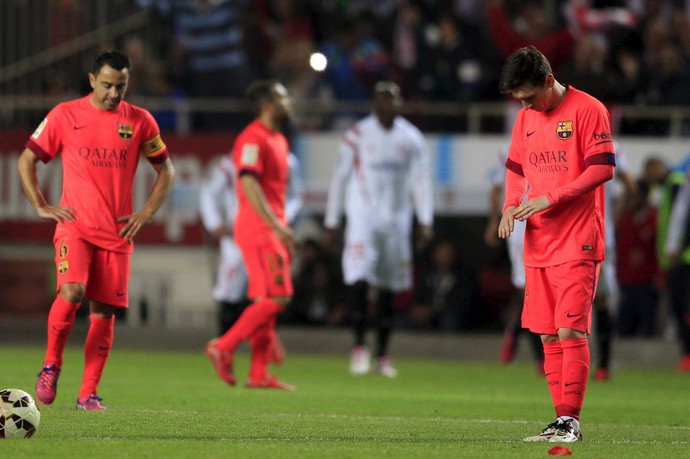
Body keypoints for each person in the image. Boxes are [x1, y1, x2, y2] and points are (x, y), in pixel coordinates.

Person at [17, 50, 176, 411]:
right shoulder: (64, 115)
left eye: (120, 86)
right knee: (73, 292)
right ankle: (51, 364)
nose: (113, 94)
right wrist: (40, 204)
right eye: (106, 85)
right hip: (75, 226)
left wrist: (147, 212)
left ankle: (88, 393)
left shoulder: (140, 121)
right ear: (92, 80)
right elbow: (27, 159)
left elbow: (167, 171)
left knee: (103, 314)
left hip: (117, 234)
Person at [497, 46, 615, 443]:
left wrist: (552, 197)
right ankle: (561, 421)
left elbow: (602, 168)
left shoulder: (588, 109)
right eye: (520, 100)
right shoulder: (525, 118)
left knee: (570, 330)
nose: (527, 105)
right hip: (539, 240)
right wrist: (509, 207)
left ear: (549, 80)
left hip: (578, 236)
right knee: (548, 335)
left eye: (530, 96)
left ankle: (572, 422)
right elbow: (515, 170)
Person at [324, 81, 434, 378]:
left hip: (397, 222)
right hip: (363, 219)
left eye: (393, 99)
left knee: (388, 289)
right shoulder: (358, 135)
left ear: (399, 103)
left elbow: (421, 181)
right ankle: (359, 348)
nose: (388, 104)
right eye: (382, 99)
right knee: (360, 280)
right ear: (373, 103)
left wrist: (425, 220)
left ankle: (383, 355)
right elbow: (340, 178)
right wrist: (332, 222)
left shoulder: (411, 137)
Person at [205, 80, 297, 390]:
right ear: (268, 105)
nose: (290, 102)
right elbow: (248, 183)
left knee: (266, 300)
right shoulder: (252, 138)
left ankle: (258, 374)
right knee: (280, 297)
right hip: (259, 229)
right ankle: (223, 346)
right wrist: (275, 225)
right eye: (283, 97)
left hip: (269, 228)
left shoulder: (279, 139)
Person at [199, 151, 304, 335]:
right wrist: (214, 224)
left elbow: (296, 196)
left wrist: (283, 219)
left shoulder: (286, 159)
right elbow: (208, 192)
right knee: (230, 292)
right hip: (238, 237)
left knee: (273, 294)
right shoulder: (234, 160)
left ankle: (260, 349)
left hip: (270, 236)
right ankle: (225, 346)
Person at [484, 145, 544, 373]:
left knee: (538, 293)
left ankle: (514, 330)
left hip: (547, 221)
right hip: (520, 225)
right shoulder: (511, 148)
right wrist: (493, 221)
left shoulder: (557, 138)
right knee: (530, 293)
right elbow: (497, 187)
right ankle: (542, 357)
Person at [656, 158, 690, 372]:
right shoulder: (681, 180)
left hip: (682, 256)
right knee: (680, 308)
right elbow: (680, 214)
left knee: (684, 308)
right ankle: (687, 354)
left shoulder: (677, 180)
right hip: (681, 257)